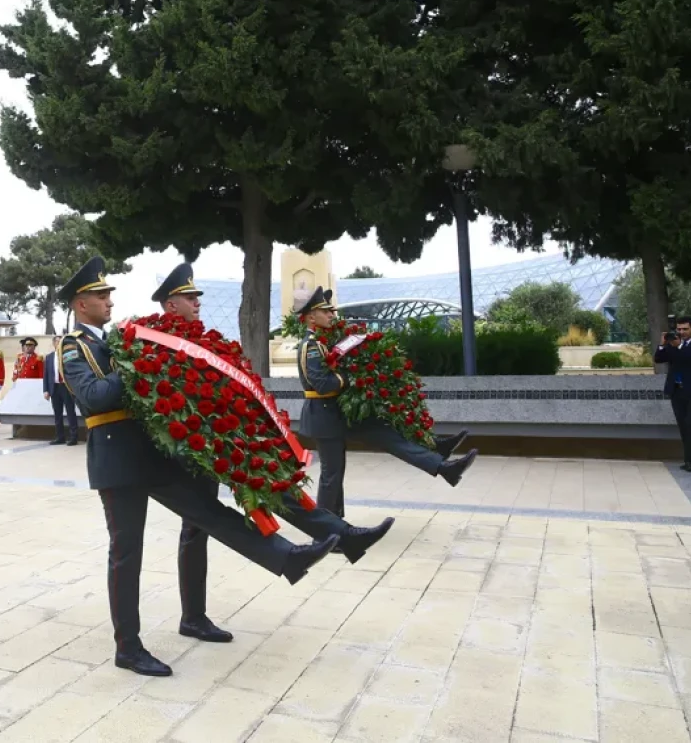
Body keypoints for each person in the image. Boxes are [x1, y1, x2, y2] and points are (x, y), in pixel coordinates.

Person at [59, 257, 340, 677]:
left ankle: (288, 558)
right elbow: (96, 396)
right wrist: (139, 361)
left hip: (153, 453)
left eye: (108, 294)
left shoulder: (117, 340)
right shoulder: (73, 347)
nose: (109, 301)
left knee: (210, 514)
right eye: (101, 296)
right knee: (126, 553)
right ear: (82, 305)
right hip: (117, 458)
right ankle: (128, 647)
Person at [153, 264, 396, 641]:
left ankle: (345, 536)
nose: (197, 303)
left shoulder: (199, 338)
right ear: (171, 306)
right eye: (190, 298)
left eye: (197, 297)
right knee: (197, 528)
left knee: (271, 488)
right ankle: (194, 616)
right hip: (195, 446)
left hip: (221, 437)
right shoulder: (160, 341)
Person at [297, 286, 477, 517]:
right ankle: (327, 530)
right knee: (332, 475)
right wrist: (353, 376)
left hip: (337, 412)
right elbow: (323, 384)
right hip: (323, 416)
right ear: (311, 317)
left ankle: (439, 460)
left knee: (385, 432)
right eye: (326, 311)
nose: (332, 315)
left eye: (331, 311)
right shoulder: (311, 346)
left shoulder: (323, 341)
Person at [653, 316, 691, 473]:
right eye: (679, 329)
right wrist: (662, 344)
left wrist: (679, 347)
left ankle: (690, 461)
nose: (682, 332)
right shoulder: (673, 344)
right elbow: (658, 359)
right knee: (684, 426)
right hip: (676, 390)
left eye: (685, 329)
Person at [43, 335, 79, 446]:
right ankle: (60, 437)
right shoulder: (49, 357)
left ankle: (73, 437)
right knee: (57, 414)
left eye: (61, 342)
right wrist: (46, 390)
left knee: (70, 412)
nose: (59, 344)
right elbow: (46, 375)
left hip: (66, 387)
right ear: (54, 344)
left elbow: (74, 371)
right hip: (55, 387)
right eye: (57, 342)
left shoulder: (69, 355)